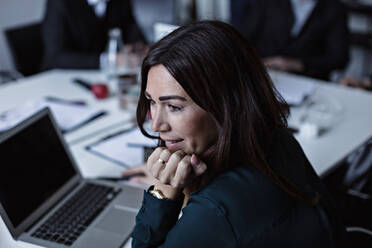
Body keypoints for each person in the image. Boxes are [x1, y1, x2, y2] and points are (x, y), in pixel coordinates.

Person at [125, 20, 347, 247]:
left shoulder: (215, 212)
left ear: (224, 105)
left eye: (174, 107)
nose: (156, 125)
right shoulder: (278, 139)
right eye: (151, 102)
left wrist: (163, 190)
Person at [236, 0, 349, 80]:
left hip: (308, 80)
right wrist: (259, 63)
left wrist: (298, 64)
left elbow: (339, 58)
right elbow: (241, 41)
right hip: (263, 74)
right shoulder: (266, 2)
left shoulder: (334, 8)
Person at [41, 0, 146, 70]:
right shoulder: (59, 3)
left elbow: (134, 34)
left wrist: (138, 48)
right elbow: (55, 57)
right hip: (61, 80)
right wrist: (109, 60)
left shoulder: (120, 2)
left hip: (108, 79)